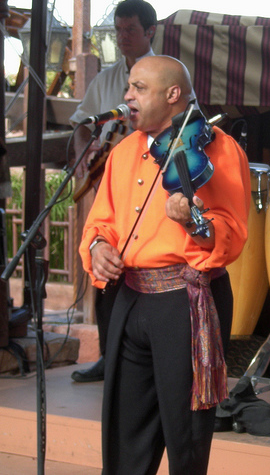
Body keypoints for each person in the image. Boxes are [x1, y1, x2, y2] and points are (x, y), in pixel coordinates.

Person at [79, 55, 251, 474]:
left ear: (173, 94)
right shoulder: (123, 151)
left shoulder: (219, 148)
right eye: (129, 87)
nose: (127, 96)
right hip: (130, 298)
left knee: (184, 436)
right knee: (125, 434)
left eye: (139, 88)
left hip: (184, 301)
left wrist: (192, 222)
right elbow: (101, 221)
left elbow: (230, 233)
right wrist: (98, 247)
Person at [69, 0, 158, 382]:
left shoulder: (166, 75)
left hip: (151, 190)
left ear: (150, 31)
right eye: (118, 30)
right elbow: (82, 124)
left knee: (144, 272)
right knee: (103, 265)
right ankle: (108, 356)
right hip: (110, 188)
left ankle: (142, 363)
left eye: (130, 29)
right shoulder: (105, 80)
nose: (122, 37)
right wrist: (83, 154)